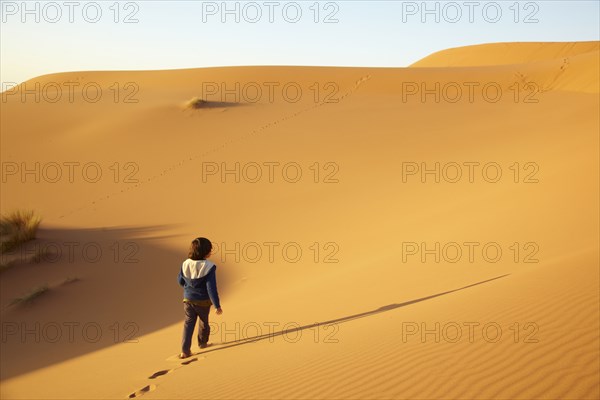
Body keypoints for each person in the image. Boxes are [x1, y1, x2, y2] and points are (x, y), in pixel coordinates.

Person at [178, 237, 222, 358]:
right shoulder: (209, 266)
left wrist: (189, 288)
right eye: (209, 249)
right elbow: (211, 288)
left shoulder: (185, 264)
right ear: (204, 252)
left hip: (187, 300)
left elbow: (180, 281)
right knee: (203, 322)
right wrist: (217, 305)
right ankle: (202, 343)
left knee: (188, 323)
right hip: (203, 301)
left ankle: (185, 351)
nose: (211, 252)